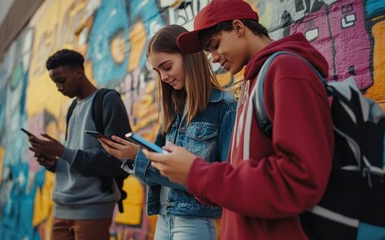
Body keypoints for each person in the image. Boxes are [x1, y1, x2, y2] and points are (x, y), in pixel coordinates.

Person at [143, 0, 335, 239]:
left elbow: (299, 179)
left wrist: (196, 174)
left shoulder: (286, 71)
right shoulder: (254, 81)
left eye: (214, 45)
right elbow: (241, 175)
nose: (212, 58)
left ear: (238, 27)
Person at [98, 24, 237, 240]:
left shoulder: (225, 107)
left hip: (194, 222)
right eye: (157, 71)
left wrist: (138, 156)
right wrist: (134, 158)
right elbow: (160, 174)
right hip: (164, 217)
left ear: (189, 57)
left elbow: (223, 180)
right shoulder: (173, 111)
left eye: (167, 66)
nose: (163, 77)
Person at [28, 49, 132, 240]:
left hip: (92, 208)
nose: (59, 87)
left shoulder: (107, 100)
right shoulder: (73, 108)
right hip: (62, 206)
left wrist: (62, 151)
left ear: (78, 72)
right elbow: (75, 160)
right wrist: (54, 163)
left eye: (61, 80)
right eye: (55, 83)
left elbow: (117, 161)